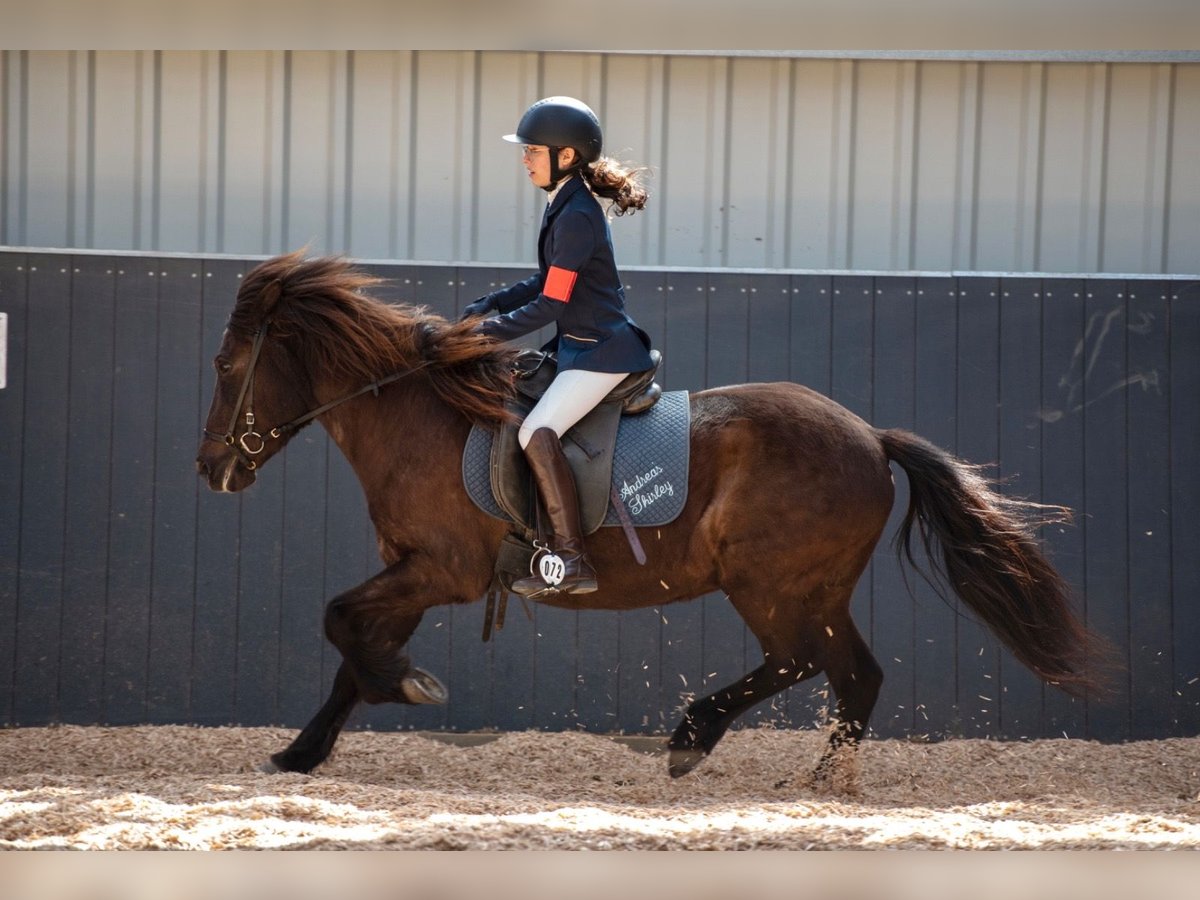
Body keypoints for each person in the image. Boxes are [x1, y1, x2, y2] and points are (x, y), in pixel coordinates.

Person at [463, 96, 655, 598]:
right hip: (579, 345)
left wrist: (484, 335)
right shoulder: (566, 203)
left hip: (602, 352)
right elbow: (547, 279)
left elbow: (551, 303)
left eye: (532, 150)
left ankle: (572, 560)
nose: (524, 159)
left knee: (535, 430)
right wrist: (490, 303)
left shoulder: (576, 215)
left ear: (566, 156)